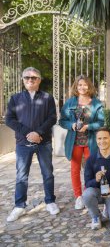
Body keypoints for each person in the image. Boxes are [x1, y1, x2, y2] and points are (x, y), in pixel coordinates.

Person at [5, 67, 60, 222]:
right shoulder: (15, 99)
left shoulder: (47, 98)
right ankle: (19, 206)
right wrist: (28, 133)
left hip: (44, 142)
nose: (30, 80)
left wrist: (38, 133)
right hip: (23, 142)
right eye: (27, 77)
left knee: (48, 173)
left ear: (39, 80)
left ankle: (50, 201)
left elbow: (52, 118)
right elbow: (9, 119)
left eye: (33, 78)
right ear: (23, 80)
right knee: (21, 175)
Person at [60, 75, 105, 210]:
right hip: (75, 142)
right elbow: (62, 121)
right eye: (79, 85)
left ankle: (88, 193)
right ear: (76, 86)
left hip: (90, 141)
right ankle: (78, 196)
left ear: (89, 86)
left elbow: (101, 122)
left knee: (91, 169)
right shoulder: (70, 102)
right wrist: (71, 125)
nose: (82, 87)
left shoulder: (96, 103)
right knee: (75, 170)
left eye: (85, 85)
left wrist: (88, 127)